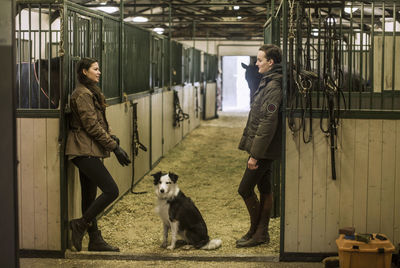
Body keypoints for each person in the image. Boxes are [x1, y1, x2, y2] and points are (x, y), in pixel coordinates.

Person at [65, 57, 131, 252]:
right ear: (84, 72)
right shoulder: (82, 94)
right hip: (82, 150)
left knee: (89, 197)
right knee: (111, 190)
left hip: (89, 149)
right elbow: (91, 125)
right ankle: (80, 224)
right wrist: (114, 147)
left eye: (98, 69)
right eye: (95, 69)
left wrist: (111, 137)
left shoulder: (90, 92)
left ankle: (95, 239)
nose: (99, 72)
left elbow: (100, 122)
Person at [236, 44, 283, 248]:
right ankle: (258, 233)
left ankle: (258, 232)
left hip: (264, 149)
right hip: (263, 147)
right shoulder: (268, 81)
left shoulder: (273, 86)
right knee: (264, 187)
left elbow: (268, 121)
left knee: (244, 189)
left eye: (260, 60)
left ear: (270, 62)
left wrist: (255, 154)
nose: (256, 64)